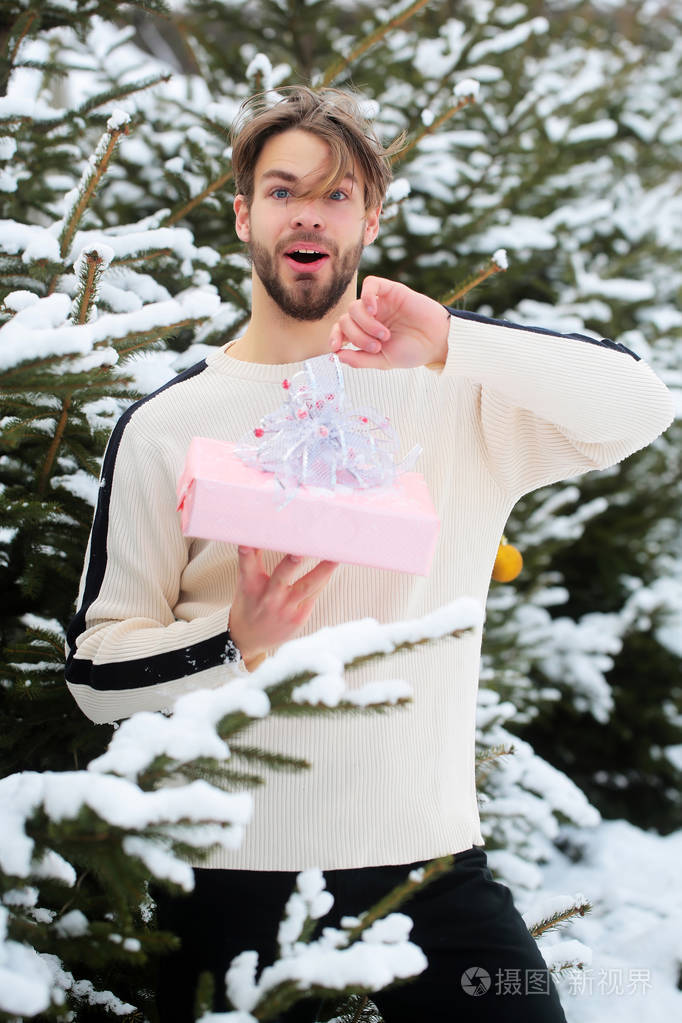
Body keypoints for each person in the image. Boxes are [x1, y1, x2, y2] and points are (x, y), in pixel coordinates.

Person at [65, 87, 673, 1022]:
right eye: (282, 189)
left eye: (339, 193)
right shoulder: (165, 426)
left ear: (371, 218)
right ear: (244, 215)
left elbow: (644, 401)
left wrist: (450, 343)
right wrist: (234, 639)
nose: (309, 210)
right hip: (231, 885)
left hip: (436, 877)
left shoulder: (458, 398)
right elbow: (95, 675)